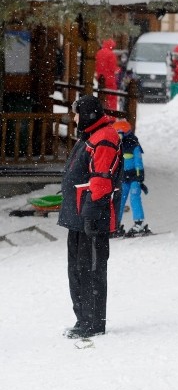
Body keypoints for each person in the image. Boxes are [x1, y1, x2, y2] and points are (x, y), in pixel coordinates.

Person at [57, 95, 123, 339]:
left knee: (91, 270)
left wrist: (90, 216)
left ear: (87, 114)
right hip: (77, 216)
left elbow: (101, 182)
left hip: (92, 218)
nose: (74, 117)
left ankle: (93, 323)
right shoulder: (91, 135)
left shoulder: (104, 138)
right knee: (76, 269)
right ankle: (82, 319)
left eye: (76, 113)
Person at [113, 119, 149, 237]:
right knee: (120, 199)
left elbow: (138, 162)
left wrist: (139, 178)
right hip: (124, 178)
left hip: (134, 178)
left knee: (134, 198)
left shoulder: (133, 145)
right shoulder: (118, 146)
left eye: (119, 133)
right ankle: (115, 224)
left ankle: (139, 223)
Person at [94, 38, 119, 110]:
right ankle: (111, 117)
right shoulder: (111, 54)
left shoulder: (98, 53)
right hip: (110, 80)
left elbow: (96, 66)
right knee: (111, 99)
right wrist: (119, 69)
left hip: (101, 79)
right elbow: (113, 68)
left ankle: (102, 115)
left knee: (102, 98)